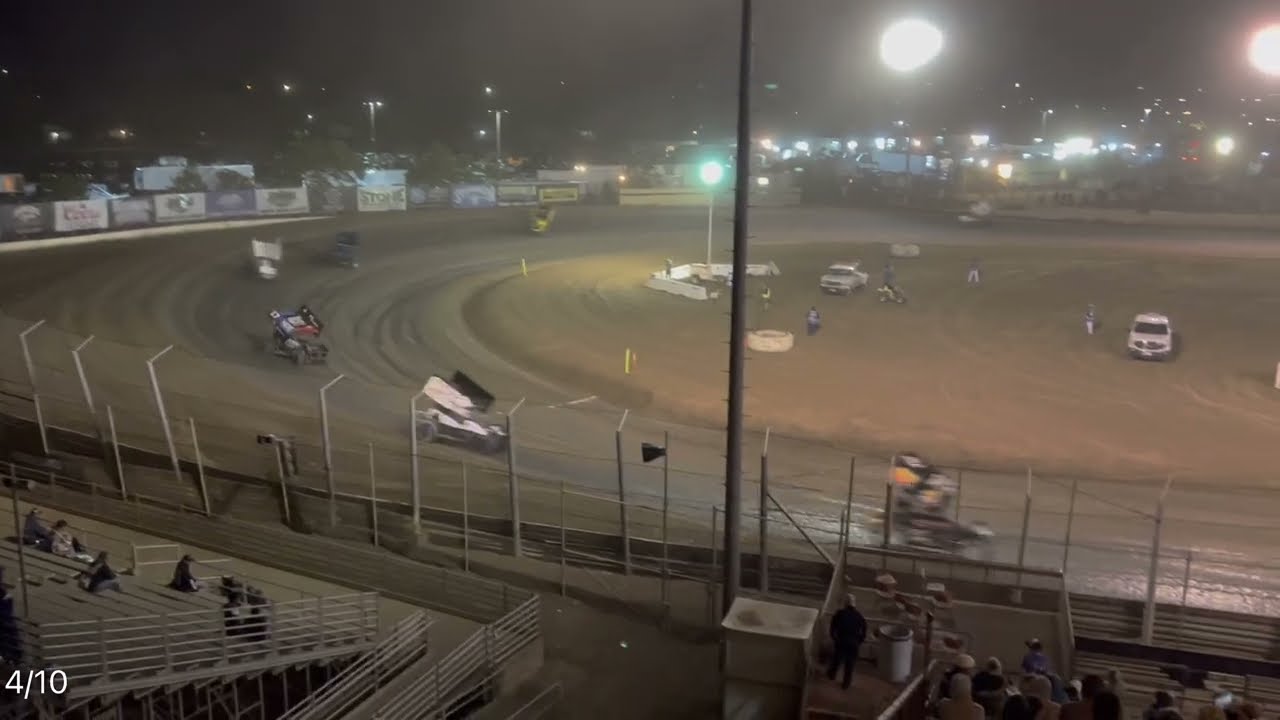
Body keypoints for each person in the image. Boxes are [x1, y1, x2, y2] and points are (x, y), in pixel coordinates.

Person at [826, 594, 866, 690]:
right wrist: (859, 641)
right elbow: (864, 631)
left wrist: (834, 637)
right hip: (854, 643)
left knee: (837, 659)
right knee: (850, 664)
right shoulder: (859, 616)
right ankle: (846, 684)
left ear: (845, 603)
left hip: (842, 640)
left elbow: (833, 626)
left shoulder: (840, 613)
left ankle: (832, 675)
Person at [0, 585, 20, 664]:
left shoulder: (5, 602)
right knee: (12, 640)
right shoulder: (8, 600)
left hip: (4, 624)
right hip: (9, 624)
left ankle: (9, 658)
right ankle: (14, 659)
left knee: (6, 641)